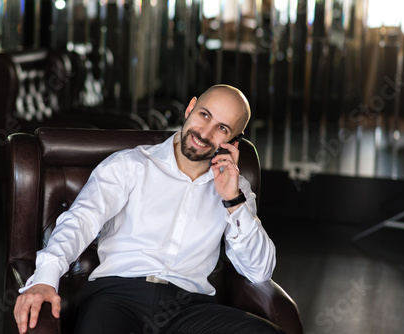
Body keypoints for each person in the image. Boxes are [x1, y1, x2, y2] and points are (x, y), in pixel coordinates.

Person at [14, 84, 283, 333]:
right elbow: (80, 220)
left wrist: (233, 201)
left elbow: (259, 271)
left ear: (233, 142)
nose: (205, 133)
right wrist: (45, 278)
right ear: (190, 108)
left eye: (222, 128)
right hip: (116, 298)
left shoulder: (236, 189)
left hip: (190, 307)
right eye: (204, 115)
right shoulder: (130, 165)